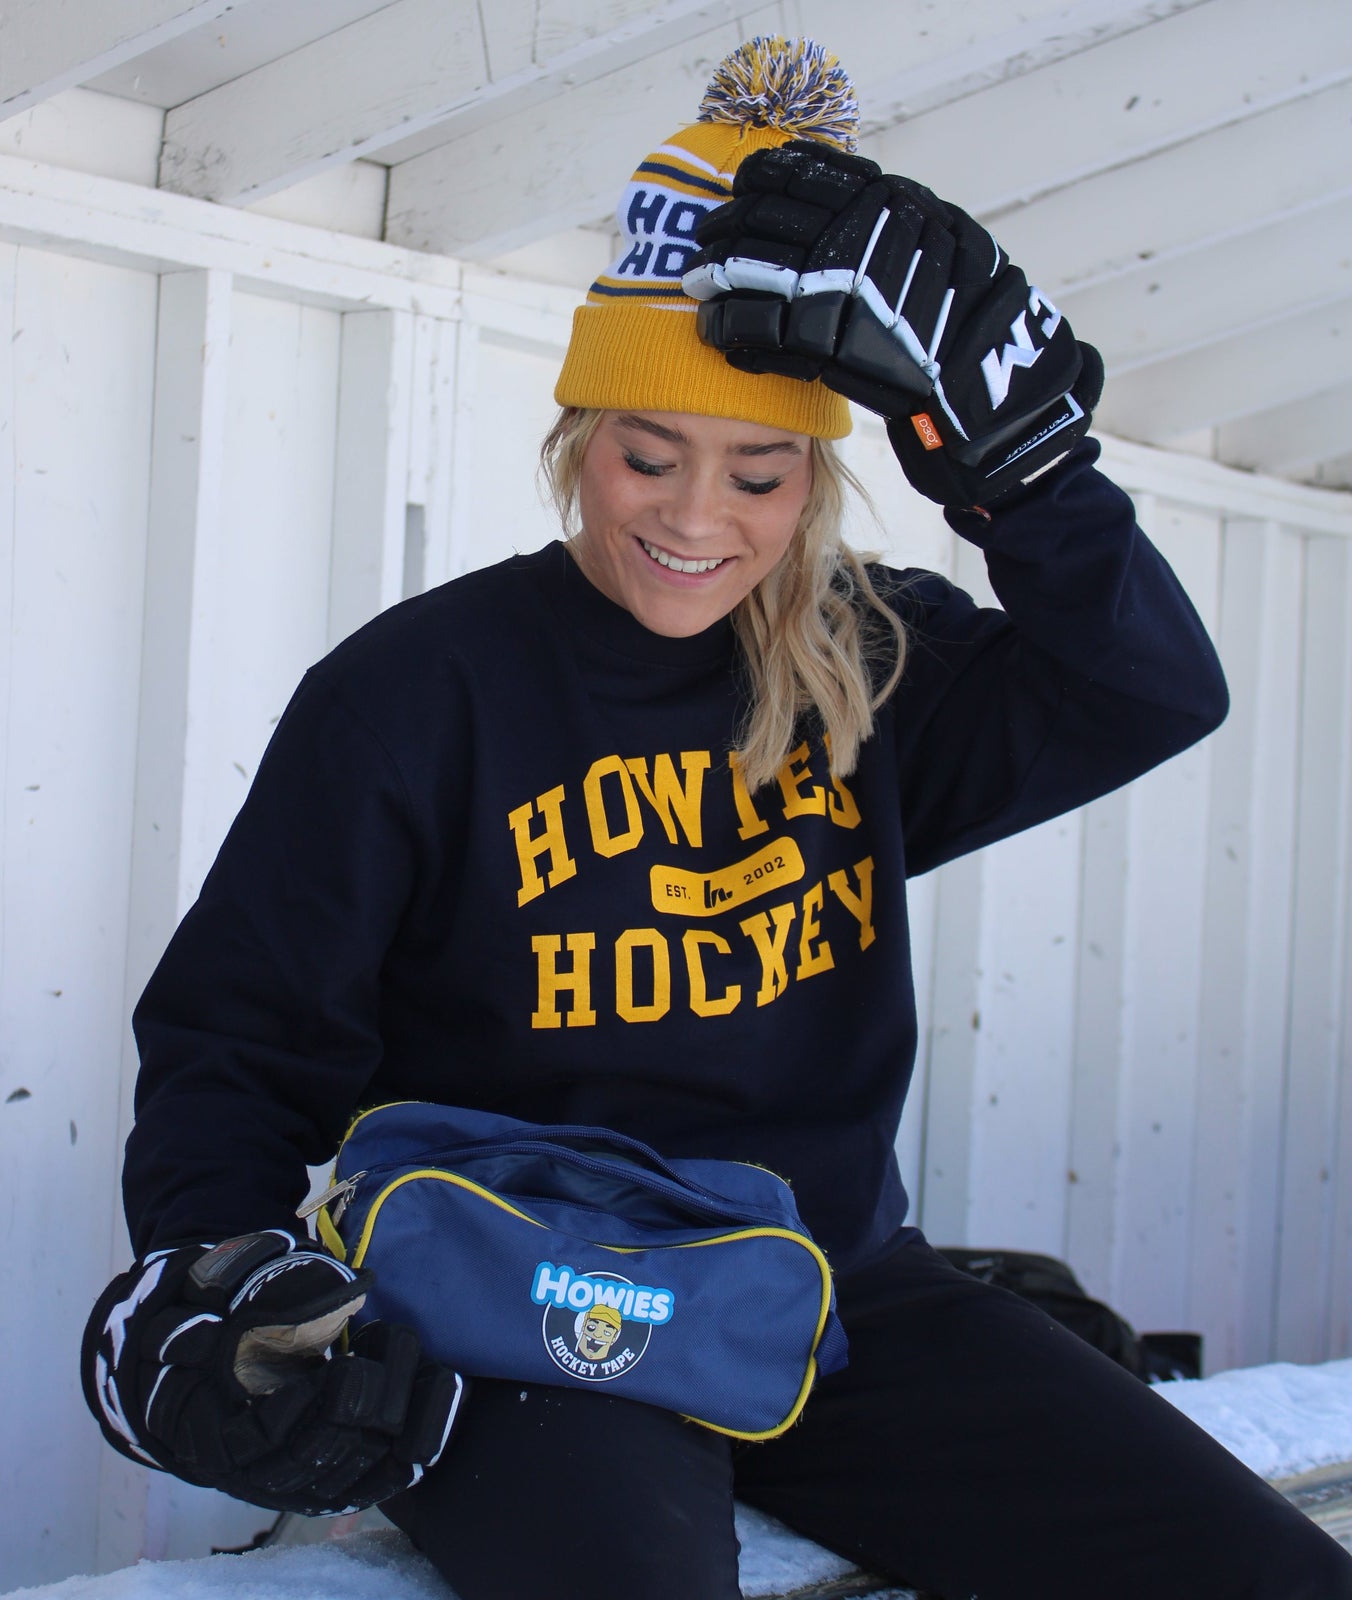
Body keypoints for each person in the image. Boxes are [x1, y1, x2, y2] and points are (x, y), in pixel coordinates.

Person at [82, 38, 1352, 1600]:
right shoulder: (417, 690)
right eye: (647, 455)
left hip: (820, 1289)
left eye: (759, 473)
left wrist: (1023, 466)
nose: (695, 520)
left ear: (817, 482)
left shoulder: (869, 658)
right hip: (521, 1297)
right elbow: (237, 1044)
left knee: (1261, 1572)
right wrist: (217, 1268)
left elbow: (1151, 687)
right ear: (577, 443)